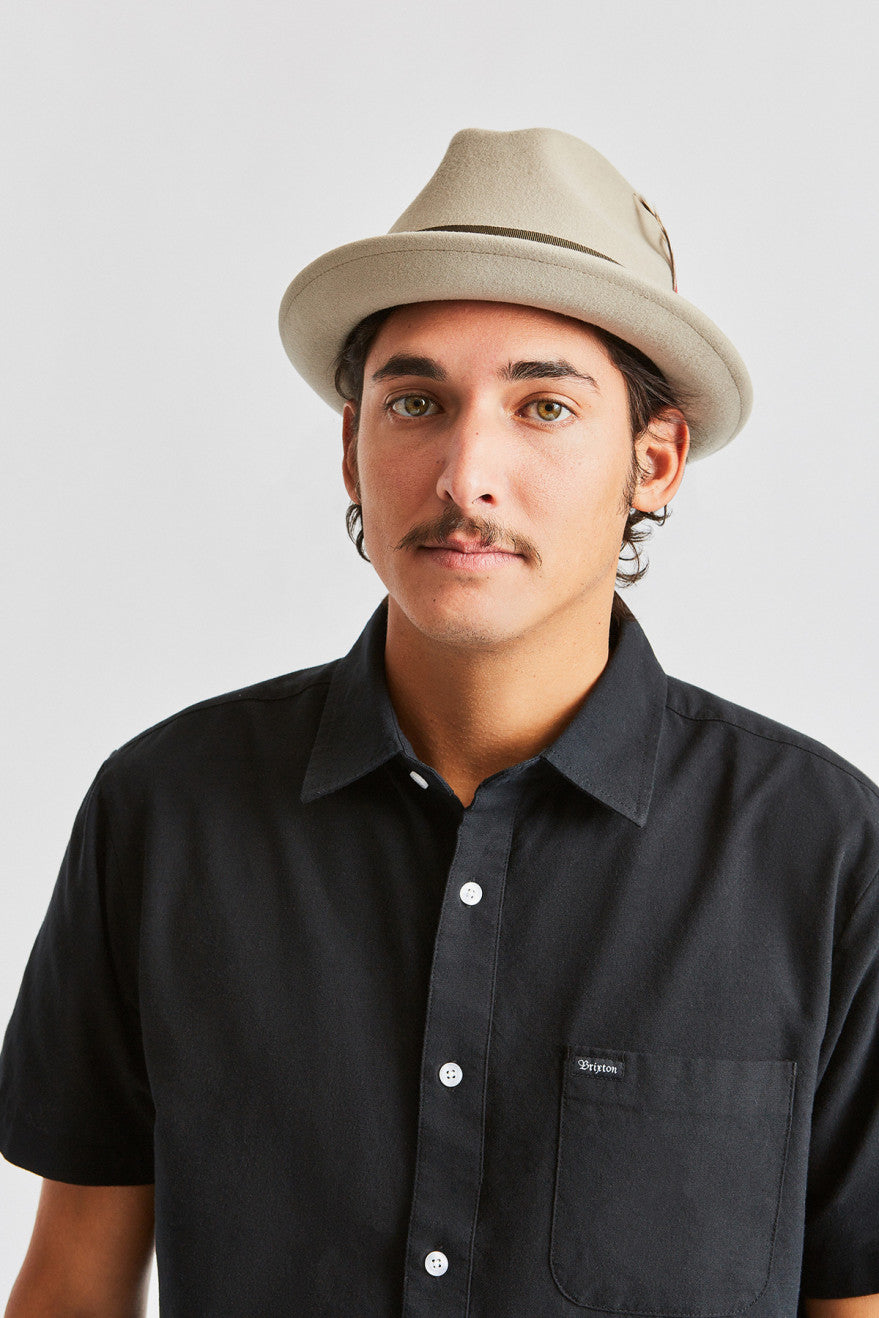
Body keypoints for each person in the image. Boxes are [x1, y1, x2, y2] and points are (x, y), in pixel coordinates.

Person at [1, 127, 877, 1318]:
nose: (467, 475)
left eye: (544, 406)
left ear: (656, 460)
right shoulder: (165, 813)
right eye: (416, 402)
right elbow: (71, 1286)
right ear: (351, 448)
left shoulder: (824, 855)